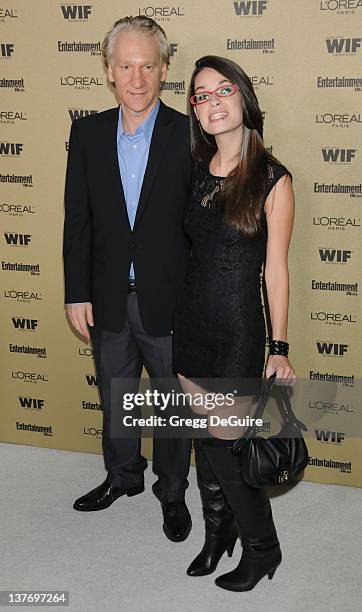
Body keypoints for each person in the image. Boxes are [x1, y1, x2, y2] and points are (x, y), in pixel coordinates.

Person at [63, 16, 192, 542]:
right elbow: (79, 220)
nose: (136, 78)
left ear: (164, 70)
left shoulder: (189, 133)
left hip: (172, 301)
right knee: (117, 395)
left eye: (147, 65)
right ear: (109, 71)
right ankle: (122, 478)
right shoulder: (87, 132)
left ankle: (172, 492)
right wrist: (77, 292)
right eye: (125, 65)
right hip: (110, 296)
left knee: (170, 403)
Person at [172, 55, 296, 590]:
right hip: (191, 323)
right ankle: (218, 533)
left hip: (235, 331)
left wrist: (279, 344)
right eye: (201, 95)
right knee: (205, 439)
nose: (213, 103)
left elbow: (277, 271)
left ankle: (263, 550)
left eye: (224, 91)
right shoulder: (197, 171)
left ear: (244, 99)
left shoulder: (273, 178)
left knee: (227, 448)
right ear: (195, 111)